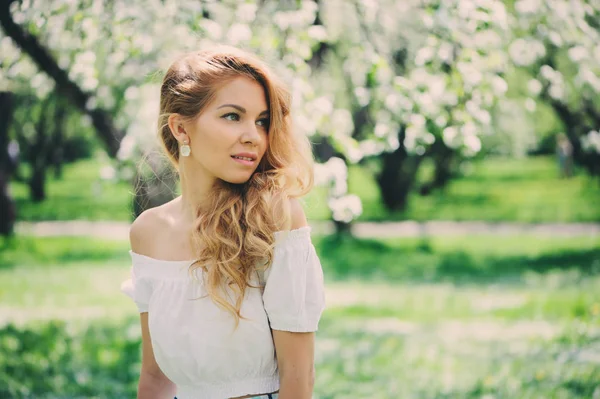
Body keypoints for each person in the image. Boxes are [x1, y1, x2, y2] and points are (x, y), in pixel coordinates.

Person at [121, 46, 326, 399]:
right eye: (233, 116)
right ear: (181, 129)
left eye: (262, 121)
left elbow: (299, 377)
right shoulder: (148, 232)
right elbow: (155, 378)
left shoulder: (274, 218)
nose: (253, 136)